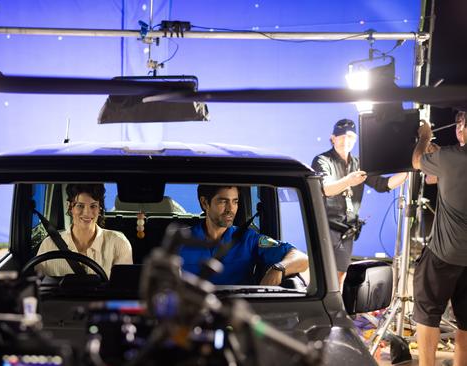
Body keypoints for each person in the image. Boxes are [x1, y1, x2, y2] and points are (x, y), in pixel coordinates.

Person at [311, 119, 407, 286]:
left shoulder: (359, 164)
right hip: (325, 227)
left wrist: (409, 170)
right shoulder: (322, 160)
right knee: (320, 275)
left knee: (340, 276)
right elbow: (326, 189)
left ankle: (335, 307)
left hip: (347, 230)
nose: (346, 141)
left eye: (350, 137)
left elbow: (383, 184)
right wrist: (348, 180)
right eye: (341, 137)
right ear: (332, 138)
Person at [411, 120, 467, 366]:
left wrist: (424, 137)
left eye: (461, 122)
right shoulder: (450, 158)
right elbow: (440, 177)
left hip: (444, 255)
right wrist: (437, 152)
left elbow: (417, 162)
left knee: (427, 316)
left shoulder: (453, 156)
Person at [179, 185, 308, 285]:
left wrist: (279, 268)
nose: (231, 209)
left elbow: (302, 258)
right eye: (223, 201)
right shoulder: (181, 240)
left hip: (238, 312)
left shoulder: (249, 239)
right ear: (205, 203)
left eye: (235, 202)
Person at [36, 183, 133, 278]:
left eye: (93, 206)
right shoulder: (48, 245)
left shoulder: (119, 243)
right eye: (80, 206)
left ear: (100, 208)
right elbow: (37, 287)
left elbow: (124, 290)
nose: (87, 213)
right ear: (70, 207)